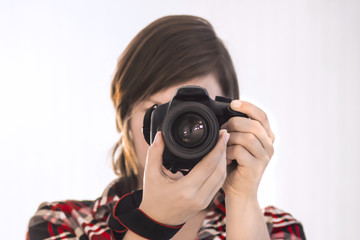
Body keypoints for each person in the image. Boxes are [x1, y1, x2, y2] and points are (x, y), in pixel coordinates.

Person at [27, 15, 306, 240]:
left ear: (229, 121)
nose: (179, 131)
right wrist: (154, 221)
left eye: (198, 115)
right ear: (124, 120)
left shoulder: (276, 229)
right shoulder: (62, 222)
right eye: (159, 112)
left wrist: (242, 199)